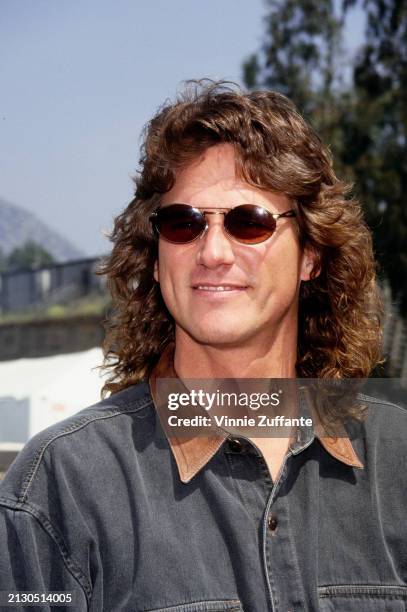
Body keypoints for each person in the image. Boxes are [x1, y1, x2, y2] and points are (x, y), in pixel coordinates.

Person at [1, 80, 406, 612]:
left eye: (249, 223)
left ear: (311, 254)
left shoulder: (398, 462)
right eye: (182, 223)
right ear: (154, 256)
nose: (212, 251)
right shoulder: (60, 488)